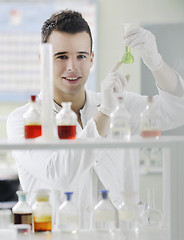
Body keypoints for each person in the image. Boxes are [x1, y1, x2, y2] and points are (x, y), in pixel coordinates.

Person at [7, 10, 184, 229]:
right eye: (61, 56)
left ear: (91, 59)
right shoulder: (24, 120)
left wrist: (156, 62)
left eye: (81, 56)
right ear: (43, 60)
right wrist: (105, 113)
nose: (72, 66)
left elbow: (176, 111)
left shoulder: (119, 106)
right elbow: (59, 174)